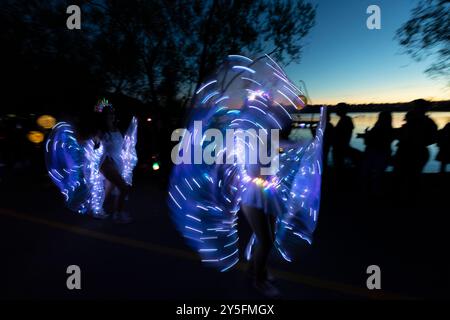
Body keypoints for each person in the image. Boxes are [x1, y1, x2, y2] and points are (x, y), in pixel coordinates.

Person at [358, 111, 394, 194]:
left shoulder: (377, 128)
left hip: (373, 153)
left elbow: (368, 141)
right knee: (378, 175)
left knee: (367, 173)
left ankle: (368, 192)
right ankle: (376, 192)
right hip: (384, 153)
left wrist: (367, 134)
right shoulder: (389, 128)